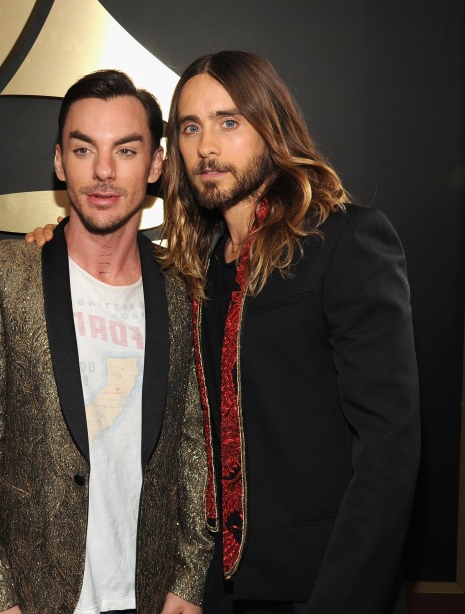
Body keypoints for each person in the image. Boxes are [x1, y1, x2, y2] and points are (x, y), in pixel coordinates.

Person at [158, 50, 420, 613]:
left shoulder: (344, 242)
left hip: (324, 588)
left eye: (229, 122)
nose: (207, 147)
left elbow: (389, 448)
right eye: (190, 127)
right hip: (221, 593)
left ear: (270, 126)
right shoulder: (196, 270)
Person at [0, 69, 213, 614]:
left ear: (157, 165)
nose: (103, 171)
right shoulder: (5, 275)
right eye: (83, 149)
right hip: (33, 597)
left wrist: (190, 579)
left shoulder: (182, 287)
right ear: (58, 161)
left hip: (150, 595)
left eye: (126, 150)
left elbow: (195, 441)